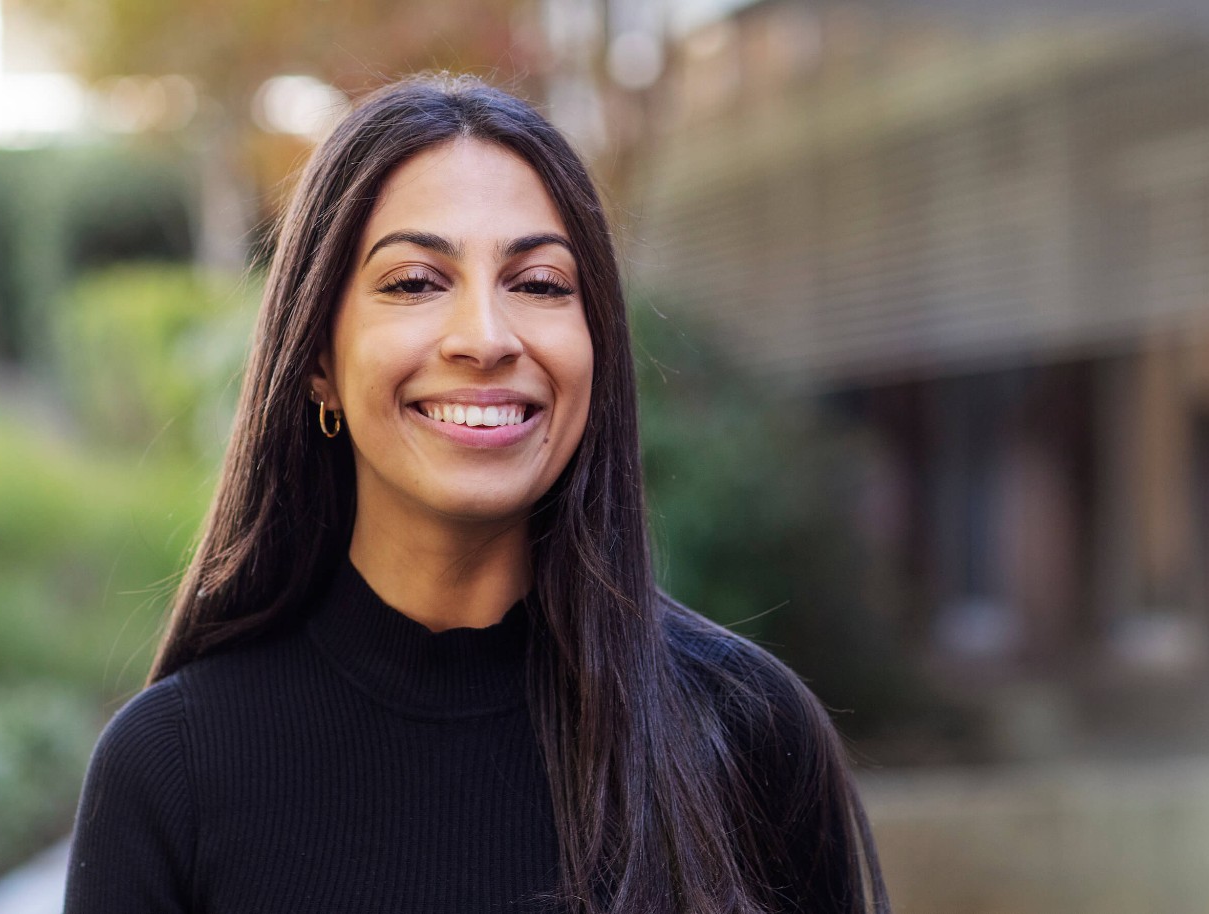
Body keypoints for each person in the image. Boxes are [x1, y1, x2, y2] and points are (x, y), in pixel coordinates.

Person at [64, 74, 890, 914]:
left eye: (537, 284)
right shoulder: (174, 771)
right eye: (416, 282)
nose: (486, 340)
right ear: (318, 362)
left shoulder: (745, 733)